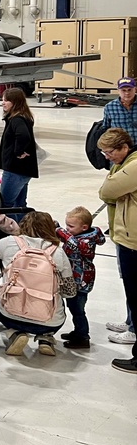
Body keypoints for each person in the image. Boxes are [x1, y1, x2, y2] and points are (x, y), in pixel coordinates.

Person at [0, 211, 74, 357]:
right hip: (49, 319)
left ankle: (15, 332)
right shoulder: (58, 252)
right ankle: (46, 338)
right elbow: (69, 291)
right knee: (59, 309)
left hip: (11, 314)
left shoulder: (9, 243)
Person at [97, 127, 137, 373]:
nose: (106, 157)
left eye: (110, 152)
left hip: (133, 242)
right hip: (127, 238)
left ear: (124, 147)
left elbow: (107, 191)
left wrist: (113, 180)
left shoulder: (133, 167)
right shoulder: (125, 163)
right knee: (131, 291)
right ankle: (131, 323)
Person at [56, 206, 105, 350]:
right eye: (66, 225)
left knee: (78, 309)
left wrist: (59, 231)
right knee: (73, 307)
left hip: (81, 281)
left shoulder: (86, 242)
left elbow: (73, 244)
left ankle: (82, 337)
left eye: (71, 226)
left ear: (84, 227)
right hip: (75, 279)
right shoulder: (79, 236)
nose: (67, 229)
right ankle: (78, 331)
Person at [0, 87, 38, 212]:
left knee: (5, 205)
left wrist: (19, 152)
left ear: (15, 102)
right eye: (3, 100)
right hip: (22, 170)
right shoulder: (23, 117)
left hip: (15, 169)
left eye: (6, 100)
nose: (3, 103)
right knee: (20, 205)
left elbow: (23, 135)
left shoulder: (17, 120)